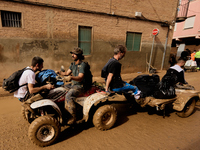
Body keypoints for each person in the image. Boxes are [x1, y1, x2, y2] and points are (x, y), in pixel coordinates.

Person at [58, 47, 92, 124]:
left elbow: (80, 78)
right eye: (72, 54)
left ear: (79, 55)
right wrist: (58, 72)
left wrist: (71, 77)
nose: (72, 55)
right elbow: (66, 73)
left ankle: (72, 117)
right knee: (61, 89)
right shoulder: (73, 64)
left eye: (74, 54)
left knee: (69, 95)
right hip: (74, 84)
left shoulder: (82, 65)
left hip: (81, 86)